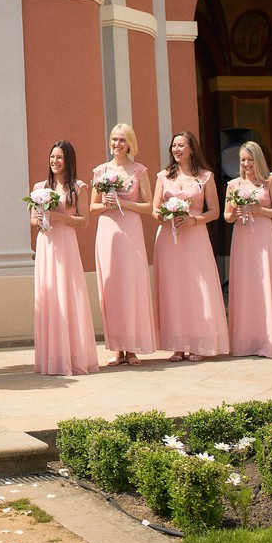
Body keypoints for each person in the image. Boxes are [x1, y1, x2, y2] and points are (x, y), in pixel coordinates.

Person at [152, 131, 229, 362]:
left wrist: (194, 220)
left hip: (195, 237)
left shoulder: (205, 177)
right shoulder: (163, 176)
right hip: (169, 238)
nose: (176, 149)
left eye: (181, 145)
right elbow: (154, 209)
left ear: (192, 149)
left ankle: (198, 343)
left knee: (196, 288)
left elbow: (214, 211)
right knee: (174, 289)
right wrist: (165, 216)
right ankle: (177, 344)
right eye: (173, 145)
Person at [89, 123, 156, 366]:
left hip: (131, 231)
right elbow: (92, 207)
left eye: (122, 140)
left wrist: (124, 203)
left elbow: (149, 206)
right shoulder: (101, 171)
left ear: (130, 143)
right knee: (112, 287)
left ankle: (133, 347)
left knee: (131, 285)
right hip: (108, 232)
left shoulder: (139, 170)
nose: (117, 144)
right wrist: (107, 203)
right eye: (114, 139)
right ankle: (117, 347)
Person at [31, 140, 99, 375]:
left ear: (68, 160)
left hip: (66, 244)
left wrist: (59, 217)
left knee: (68, 294)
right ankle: (52, 357)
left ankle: (74, 355)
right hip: (46, 245)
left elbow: (84, 221)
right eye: (52, 157)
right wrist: (39, 219)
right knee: (49, 295)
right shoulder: (40, 187)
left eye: (59, 157)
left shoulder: (78, 187)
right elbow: (32, 219)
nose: (54, 161)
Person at [223, 141, 272, 358]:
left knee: (266, 284)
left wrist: (259, 210)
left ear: (258, 159)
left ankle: (270, 340)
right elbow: (226, 216)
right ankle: (246, 342)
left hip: (263, 236)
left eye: (250, 160)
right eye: (243, 160)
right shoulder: (233, 185)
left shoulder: (269, 182)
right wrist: (235, 214)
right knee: (246, 285)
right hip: (242, 238)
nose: (246, 164)